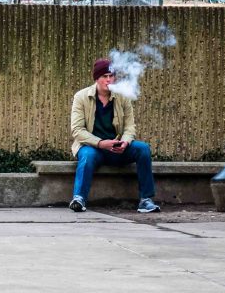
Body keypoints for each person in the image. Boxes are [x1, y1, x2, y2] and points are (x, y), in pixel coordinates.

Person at [68, 58, 161, 214]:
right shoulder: (81, 97)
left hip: (117, 148)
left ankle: (146, 200)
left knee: (143, 149)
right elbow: (77, 130)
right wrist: (101, 143)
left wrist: (125, 142)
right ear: (96, 78)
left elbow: (130, 126)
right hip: (93, 148)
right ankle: (79, 198)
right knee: (87, 156)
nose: (109, 79)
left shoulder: (123, 96)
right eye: (104, 76)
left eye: (111, 75)